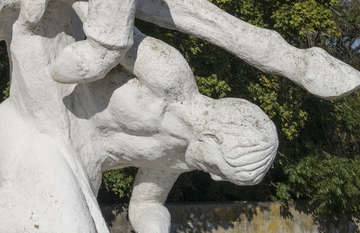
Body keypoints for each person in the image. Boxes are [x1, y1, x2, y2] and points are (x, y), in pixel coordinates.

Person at [74, 32, 279, 233]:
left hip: (74, 163)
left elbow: (146, 204)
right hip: (58, 100)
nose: (215, 178)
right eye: (218, 169)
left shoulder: (177, 158)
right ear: (214, 137)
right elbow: (106, 29)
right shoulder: (169, 76)